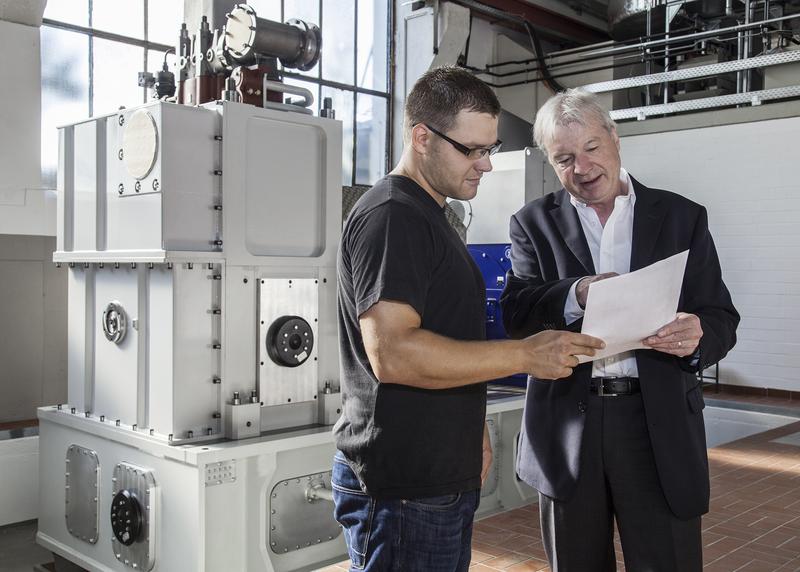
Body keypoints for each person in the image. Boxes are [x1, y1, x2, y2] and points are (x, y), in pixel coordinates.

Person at [332, 67, 604, 571]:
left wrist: (470, 423)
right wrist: (525, 353)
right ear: (421, 137)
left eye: (490, 149)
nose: (484, 165)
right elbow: (393, 353)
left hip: (435, 475)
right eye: (470, 150)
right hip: (404, 484)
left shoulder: (432, 215)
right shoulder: (394, 216)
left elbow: (444, 334)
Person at [500, 88, 740, 571]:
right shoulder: (532, 223)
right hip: (569, 426)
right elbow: (518, 313)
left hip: (657, 425)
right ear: (550, 161)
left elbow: (720, 316)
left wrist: (697, 337)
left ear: (614, 138)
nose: (582, 168)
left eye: (591, 148)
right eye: (564, 158)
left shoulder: (680, 217)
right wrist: (577, 292)